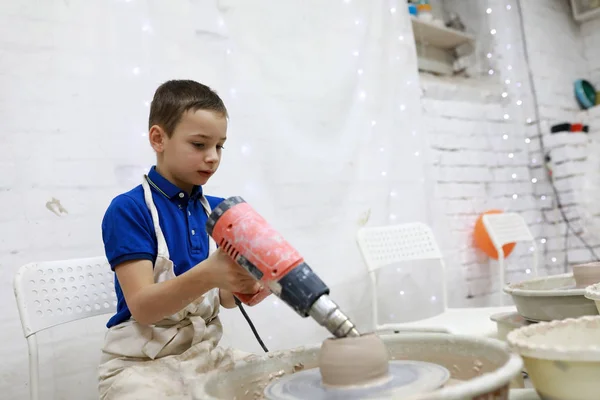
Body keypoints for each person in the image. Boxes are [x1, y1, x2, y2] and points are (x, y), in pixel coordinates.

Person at [98, 80, 263, 399]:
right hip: (141, 368)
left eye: (219, 146)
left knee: (276, 383)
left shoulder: (218, 210)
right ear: (158, 138)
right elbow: (144, 309)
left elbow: (227, 299)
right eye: (199, 145)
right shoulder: (129, 210)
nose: (212, 157)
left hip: (206, 358)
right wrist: (211, 273)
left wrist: (253, 282)